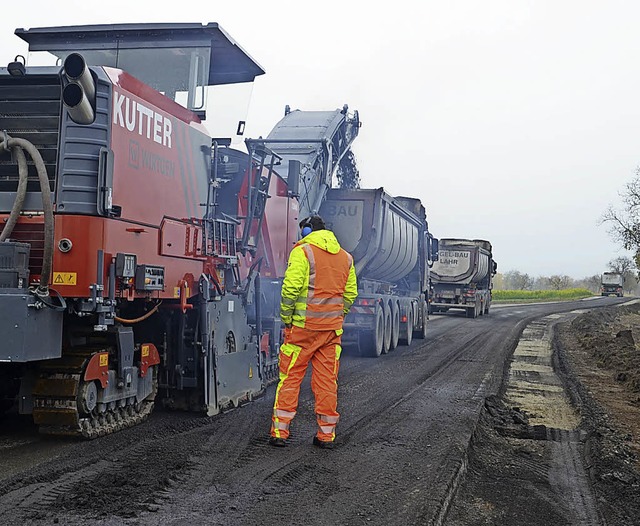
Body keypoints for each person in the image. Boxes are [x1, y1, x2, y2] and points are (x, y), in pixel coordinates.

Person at [269, 215, 357, 449]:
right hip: (330, 333)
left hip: (302, 330)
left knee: (290, 378)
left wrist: (286, 317)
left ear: (307, 230)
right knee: (327, 382)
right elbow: (350, 295)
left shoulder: (303, 252)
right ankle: (326, 436)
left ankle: (280, 432)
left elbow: (290, 288)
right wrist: (338, 315)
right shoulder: (346, 258)